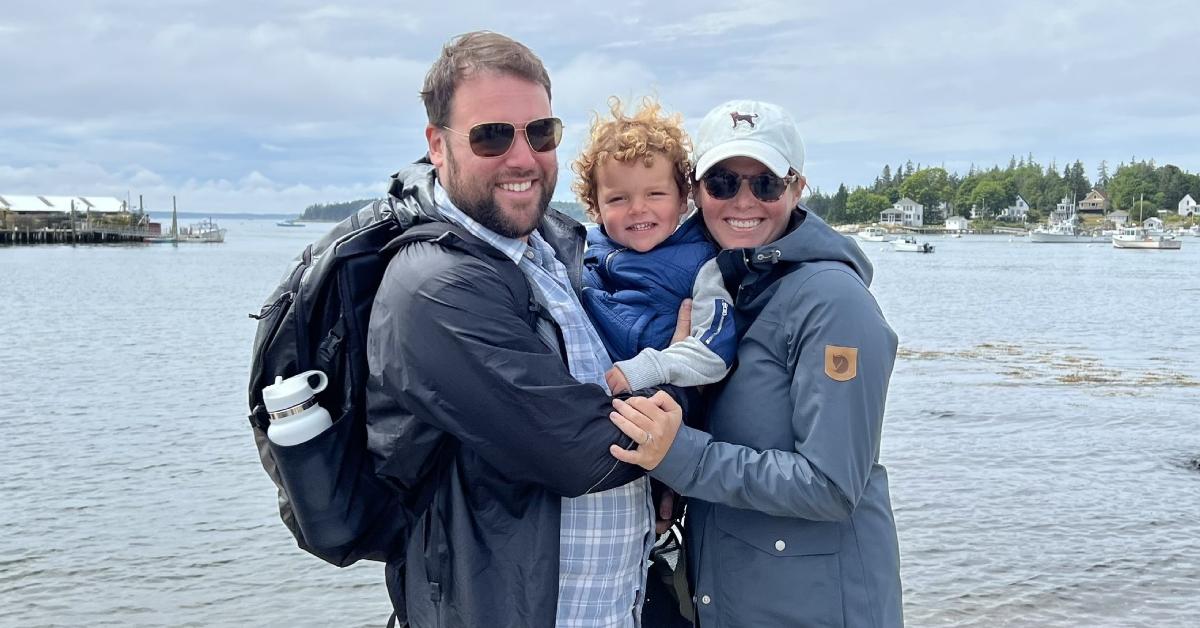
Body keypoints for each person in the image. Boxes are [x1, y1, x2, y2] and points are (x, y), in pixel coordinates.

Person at [265, 31, 688, 628]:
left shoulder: (551, 248)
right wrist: (691, 379)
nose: (522, 157)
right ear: (438, 146)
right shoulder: (435, 289)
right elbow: (583, 450)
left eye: (540, 132)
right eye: (491, 136)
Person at [607, 100, 904, 627]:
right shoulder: (725, 289)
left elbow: (833, 484)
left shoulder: (834, 302)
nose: (743, 201)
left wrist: (678, 455)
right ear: (695, 191)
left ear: (796, 188)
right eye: (722, 183)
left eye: (765, 184)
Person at [571, 97, 736, 395]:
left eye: (655, 194)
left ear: (683, 198)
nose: (638, 209)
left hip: (660, 402)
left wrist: (650, 368)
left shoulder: (701, 265)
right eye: (618, 198)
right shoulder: (585, 257)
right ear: (595, 207)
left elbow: (716, 351)